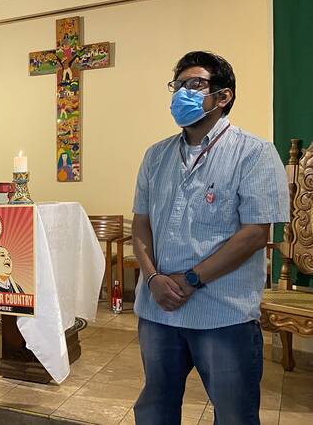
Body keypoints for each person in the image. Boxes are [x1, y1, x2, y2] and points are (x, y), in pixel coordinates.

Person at [131, 51, 289, 424]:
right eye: (178, 85)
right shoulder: (156, 156)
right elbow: (141, 224)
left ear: (223, 97)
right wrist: (153, 278)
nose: (182, 93)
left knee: (234, 413)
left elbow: (254, 233)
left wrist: (189, 280)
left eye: (195, 84)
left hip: (222, 311)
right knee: (155, 408)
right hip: (158, 309)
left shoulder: (254, 153)